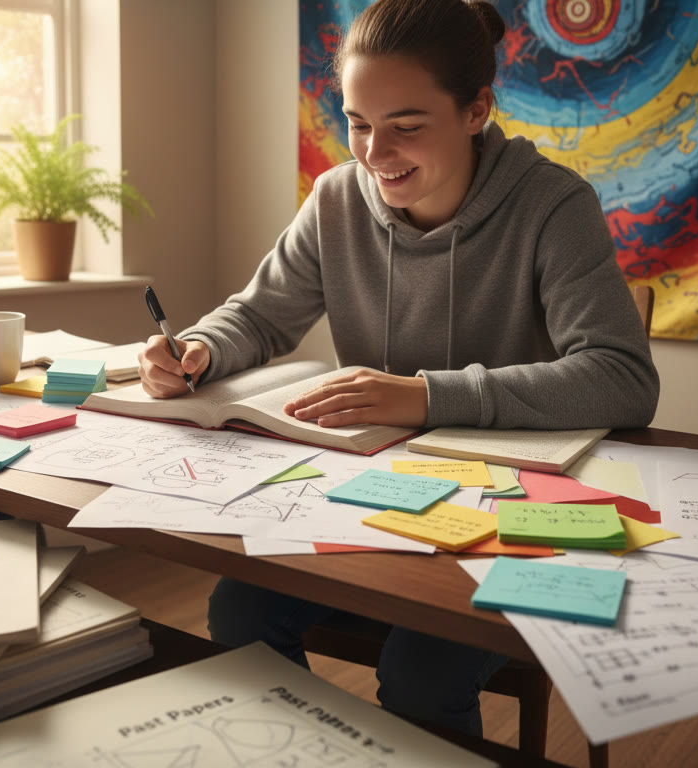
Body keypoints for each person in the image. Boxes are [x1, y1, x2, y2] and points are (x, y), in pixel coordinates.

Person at [138, 0, 659, 737]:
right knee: (239, 611)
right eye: (357, 122)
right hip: (373, 497)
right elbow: (258, 315)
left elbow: (624, 378)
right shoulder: (335, 200)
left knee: (422, 669)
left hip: (510, 516)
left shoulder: (552, 204)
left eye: (406, 126)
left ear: (476, 110)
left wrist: (425, 397)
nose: (373, 153)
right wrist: (198, 348)